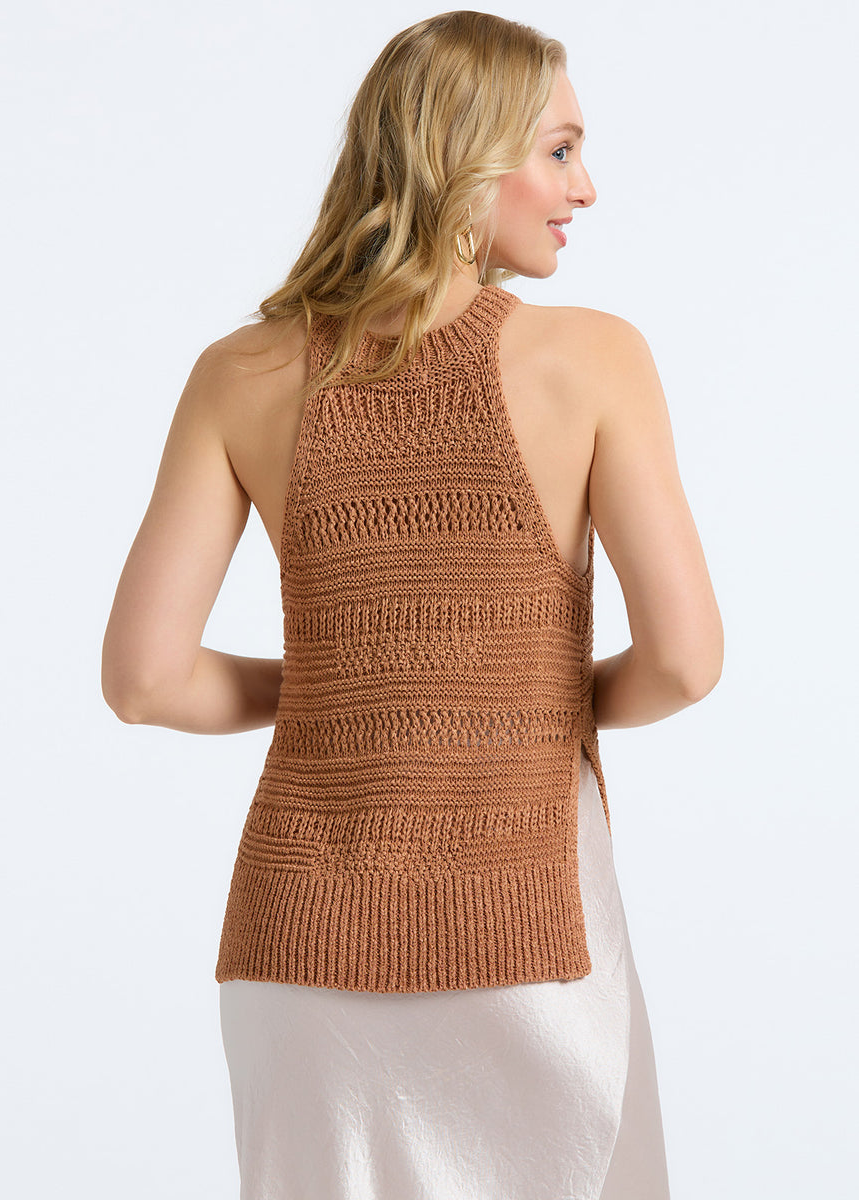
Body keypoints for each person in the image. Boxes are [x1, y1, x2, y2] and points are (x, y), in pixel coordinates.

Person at [101, 10, 723, 1199]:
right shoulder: (594, 359)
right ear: (464, 159)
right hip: (527, 939)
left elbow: (143, 679)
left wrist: (359, 685)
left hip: (300, 950)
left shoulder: (238, 375)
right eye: (559, 151)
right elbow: (688, 662)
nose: (586, 187)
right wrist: (512, 696)